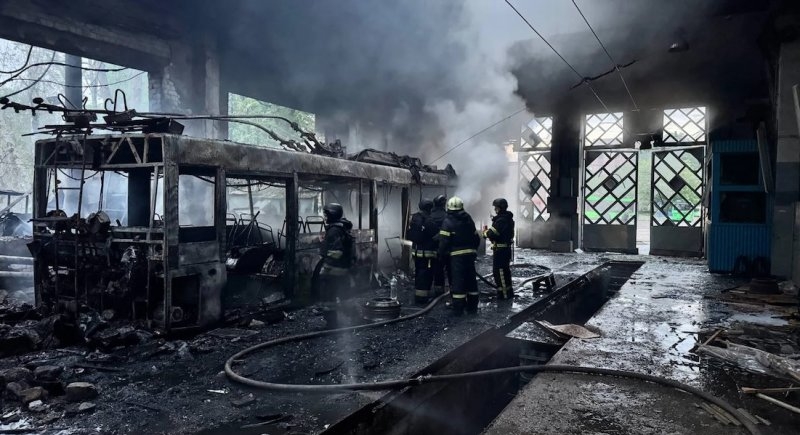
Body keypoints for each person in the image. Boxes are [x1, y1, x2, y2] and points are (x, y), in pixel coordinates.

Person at [438, 196, 480, 315]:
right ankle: (472, 307)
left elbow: (444, 242)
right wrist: (473, 251)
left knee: (458, 281)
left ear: (449, 208)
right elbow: (476, 238)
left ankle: (458, 308)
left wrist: (441, 255)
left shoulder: (447, 221)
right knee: (471, 280)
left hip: (457, 257)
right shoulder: (468, 219)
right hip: (470, 255)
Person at [318, 203, 353, 327]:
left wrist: (326, 261)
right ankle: (355, 318)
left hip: (333, 270)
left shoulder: (333, 231)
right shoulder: (341, 228)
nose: (325, 217)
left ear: (332, 215)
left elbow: (337, 252)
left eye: (326, 214)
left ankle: (332, 324)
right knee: (345, 296)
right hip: (342, 269)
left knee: (328, 299)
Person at [484, 198, 515, 300]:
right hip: (505, 250)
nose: (495, 209)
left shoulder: (501, 220)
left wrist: (485, 233)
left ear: (500, 208)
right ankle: (507, 293)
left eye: (496, 207)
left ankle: (504, 295)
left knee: (500, 272)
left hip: (500, 252)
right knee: (505, 272)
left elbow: (492, 234)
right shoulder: (507, 218)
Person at [407, 198, 435, 304]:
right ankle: (422, 298)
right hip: (427, 253)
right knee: (425, 274)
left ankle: (418, 295)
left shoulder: (414, 218)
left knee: (419, 272)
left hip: (416, 252)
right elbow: (434, 235)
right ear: (429, 208)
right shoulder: (429, 220)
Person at [427, 194, 449, 296]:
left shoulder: (430, 215)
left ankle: (428, 289)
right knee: (442, 269)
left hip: (430, 248)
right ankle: (439, 290)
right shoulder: (446, 216)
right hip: (444, 248)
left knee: (431, 269)